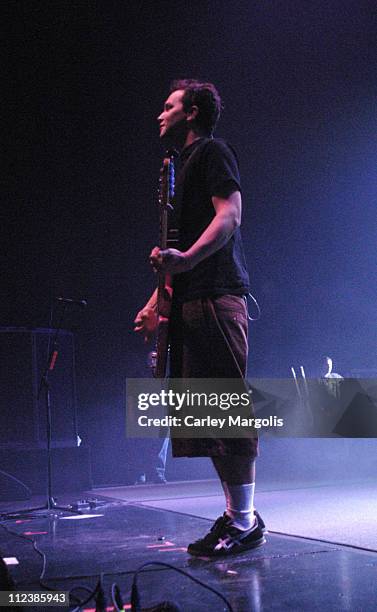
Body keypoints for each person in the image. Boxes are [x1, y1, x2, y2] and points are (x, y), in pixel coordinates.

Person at [134, 79, 265, 556]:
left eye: (167, 106)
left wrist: (186, 260)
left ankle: (245, 520)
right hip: (189, 299)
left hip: (215, 295)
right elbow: (174, 250)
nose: (159, 114)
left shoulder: (212, 152)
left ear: (191, 112)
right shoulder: (173, 165)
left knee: (225, 411)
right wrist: (159, 300)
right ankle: (236, 516)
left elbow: (230, 215)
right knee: (207, 419)